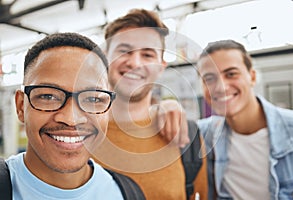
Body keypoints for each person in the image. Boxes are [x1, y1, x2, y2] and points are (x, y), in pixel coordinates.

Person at [5, 32, 145, 199]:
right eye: (48, 97)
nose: (71, 119)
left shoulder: (127, 193)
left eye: (93, 98)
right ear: (21, 106)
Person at [93, 9, 208, 200]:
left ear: (161, 66)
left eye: (147, 54)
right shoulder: (77, 134)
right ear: (105, 57)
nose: (135, 62)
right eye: (124, 50)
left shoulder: (187, 138)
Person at [197, 39, 293, 200]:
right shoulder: (204, 135)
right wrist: (165, 108)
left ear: (252, 77)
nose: (221, 87)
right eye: (209, 79)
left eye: (231, 74)